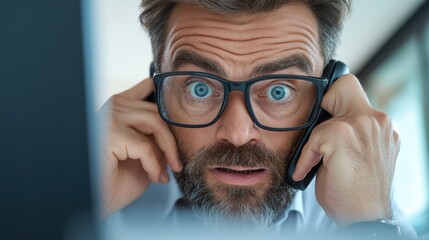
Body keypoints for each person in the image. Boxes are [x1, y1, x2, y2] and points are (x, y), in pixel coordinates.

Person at [99, 0, 416, 238]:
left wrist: (370, 226)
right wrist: (71, 197)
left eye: (279, 91)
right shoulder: (102, 195)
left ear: (325, 99)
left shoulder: (367, 211)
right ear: (157, 92)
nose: (237, 133)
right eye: (199, 88)